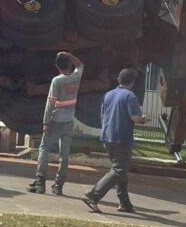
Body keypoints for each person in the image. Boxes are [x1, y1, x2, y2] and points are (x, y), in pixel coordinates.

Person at [82, 67, 149, 213]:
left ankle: (125, 203)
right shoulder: (130, 96)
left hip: (107, 137)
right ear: (133, 82)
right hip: (122, 137)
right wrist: (144, 120)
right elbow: (135, 118)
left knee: (121, 171)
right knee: (119, 170)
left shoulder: (108, 95)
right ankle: (94, 195)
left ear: (118, 79)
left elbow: (102, 117)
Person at [27, 51, 83, 196]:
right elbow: (80, 64)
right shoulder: (76, 77)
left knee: (44, 149)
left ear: (56, 66)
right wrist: (70, 55)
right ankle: (58, 186)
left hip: (56, 120)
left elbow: (50, 103)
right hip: (69, 121)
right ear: (69, 64)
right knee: (64, 154)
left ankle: (40, 183)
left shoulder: (57, 81)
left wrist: (46, 122)